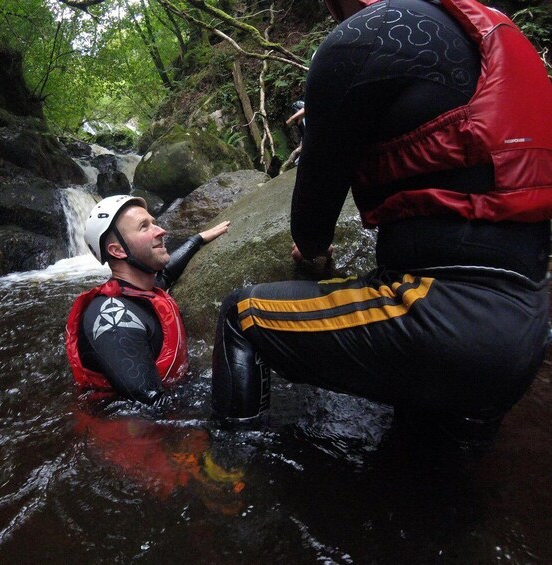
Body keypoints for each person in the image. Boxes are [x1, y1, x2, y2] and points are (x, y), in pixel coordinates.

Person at [212, 0, 552, 446]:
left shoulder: (362, 36)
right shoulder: (492, 30)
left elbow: (310, 232)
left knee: (240, 317)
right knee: (424, 466)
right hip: (528, 321)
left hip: (443, 318)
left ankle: (223, 474)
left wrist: (315, 250)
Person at [66, 195, 229, 406]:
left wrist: (196, 240)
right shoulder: (112, 318)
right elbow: (151, 404)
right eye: (144, 227)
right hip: (137, 424)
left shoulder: (142, 290)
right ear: (117, 250)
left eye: (154, 222)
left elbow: (167, 273)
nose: (161, 231)